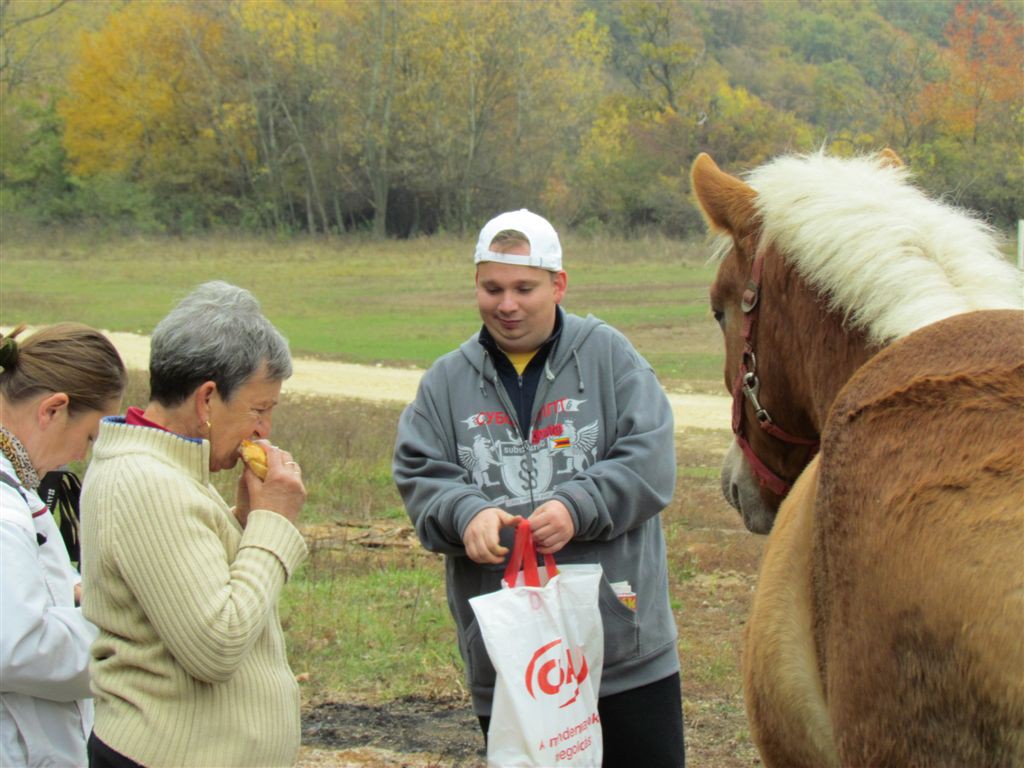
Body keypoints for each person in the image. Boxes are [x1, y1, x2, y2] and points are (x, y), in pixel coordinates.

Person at [393, 209, 686, 766]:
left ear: (559, 285)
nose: (507, 304)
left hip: (625, 656)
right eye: (492, 288)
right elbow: (420, 474)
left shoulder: (610, 357)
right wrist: (466, 514)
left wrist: (579, 505)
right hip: (515, 664)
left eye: (524, 288)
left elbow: (651, 459)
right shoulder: (445, 383)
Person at [79, 281, 308, 768]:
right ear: (206, 400)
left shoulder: (168, 469)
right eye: (259, 409)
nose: (264, 429)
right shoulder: (146, 481)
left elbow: (189, 578)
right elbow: (217, 645)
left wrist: (245, 522)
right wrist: (272, 525)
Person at [0, 323, 127, 767]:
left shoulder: (16, 488)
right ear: (53, 409)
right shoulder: (3, 509)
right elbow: (18, 646)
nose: (81, 455)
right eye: (90, 436)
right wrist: (120, 630)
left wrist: (69, 594)